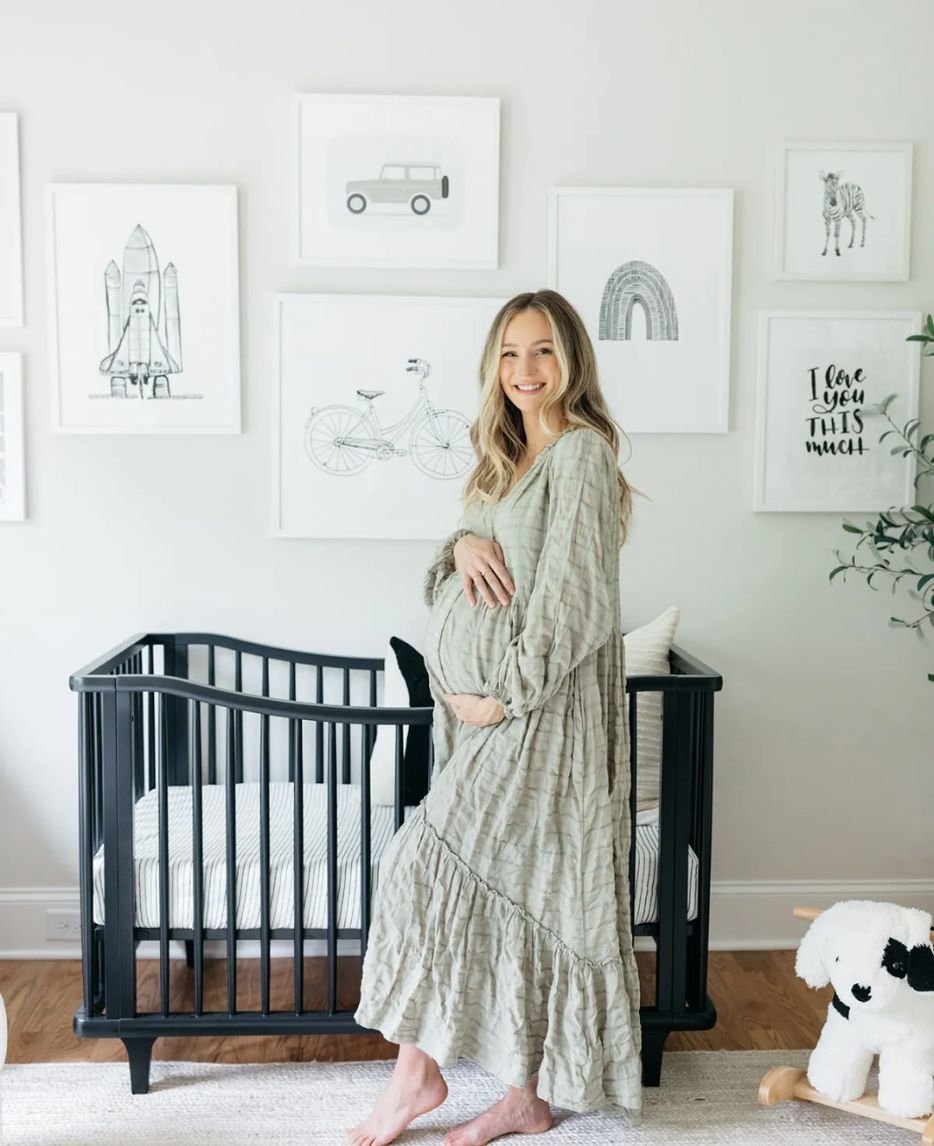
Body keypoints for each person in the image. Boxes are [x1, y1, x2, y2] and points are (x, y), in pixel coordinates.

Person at [348, 289, 642, 1146]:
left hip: (539, 719)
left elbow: (575, 603)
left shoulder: (581, 456)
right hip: (488, 718)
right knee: (520, 890)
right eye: (510, 354)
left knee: (427, 867)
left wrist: (506, 693)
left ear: (573, 360)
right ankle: (522, 1093)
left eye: (543, 351)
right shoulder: (502, 463)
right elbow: (453, 583)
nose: (526, 371)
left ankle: (424, 1078)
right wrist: (462, 545)